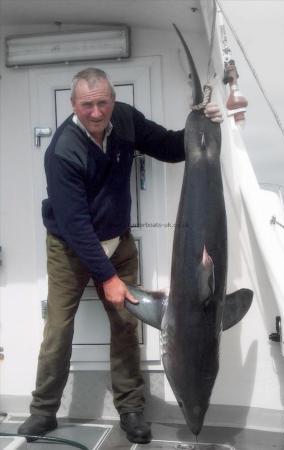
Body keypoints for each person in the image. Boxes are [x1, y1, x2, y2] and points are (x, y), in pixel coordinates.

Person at [18, 67, 223, 444]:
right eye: (87, 105)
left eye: (102, 103)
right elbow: (75, 223)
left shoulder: (125, 120)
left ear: (112, 99)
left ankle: (131, 410)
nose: (96, 113)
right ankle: (43, 411)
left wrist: (202, 126)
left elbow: (170, 146)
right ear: (73, 105)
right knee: (59, 329)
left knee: (127, 326)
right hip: (70, 248)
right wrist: (107, 278)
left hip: (119, 242)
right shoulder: (62, 151)